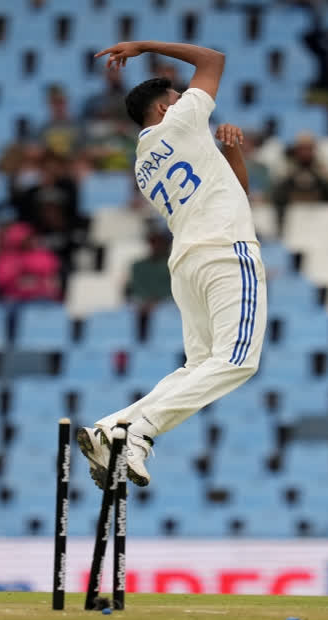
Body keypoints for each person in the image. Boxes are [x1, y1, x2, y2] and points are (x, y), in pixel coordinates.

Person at [77, 40, 266, 489]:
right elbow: (214, 59)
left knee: (198, 367)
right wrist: (144, 46)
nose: (192, 102)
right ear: (164, 109)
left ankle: (114, 426)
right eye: (180, 99)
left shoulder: (143, 163)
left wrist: (232, 153)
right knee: (239, 360)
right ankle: (139, 433)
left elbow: (234, 193)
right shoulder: (179, 121)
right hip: (225, 250)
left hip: (188, 262)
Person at [271, 132, 328, 225]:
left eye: (308, 149)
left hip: (316, 204)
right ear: (297, 150)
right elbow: (281, 183)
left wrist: (316, 172)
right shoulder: (288, 164)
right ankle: (281, 225)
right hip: (292, 204)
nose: (305, 152)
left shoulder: (320, 165)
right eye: (302, 149)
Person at [0, 222, 62, 303]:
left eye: (29, 237)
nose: (28, 241)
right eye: (24, 238)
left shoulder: (44, 255)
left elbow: (52, 278)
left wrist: (31, 280)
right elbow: (2, 280)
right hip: (15, 302)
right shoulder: (6, 258)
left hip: (46, 300)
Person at [127, 230, 173, 311]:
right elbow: (135, 288)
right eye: (154, 242)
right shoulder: (139, 267)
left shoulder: (174, 265)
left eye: (161, 242)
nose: (157, 246)